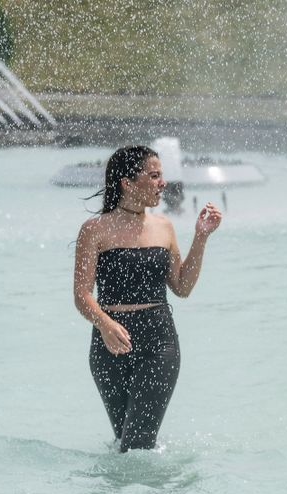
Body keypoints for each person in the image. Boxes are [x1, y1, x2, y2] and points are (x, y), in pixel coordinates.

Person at [73, 146, 222, 452]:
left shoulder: (164, 227)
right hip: (109, 345)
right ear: (127, 183)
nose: (163, 183)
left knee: (137, 444)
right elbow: (81, 295)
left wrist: (201, 237)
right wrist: (104, 324)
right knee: (124, 444)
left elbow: (182, 286)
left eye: (161, 176)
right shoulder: (94, 230)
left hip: (158, 342)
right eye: (154, 176)